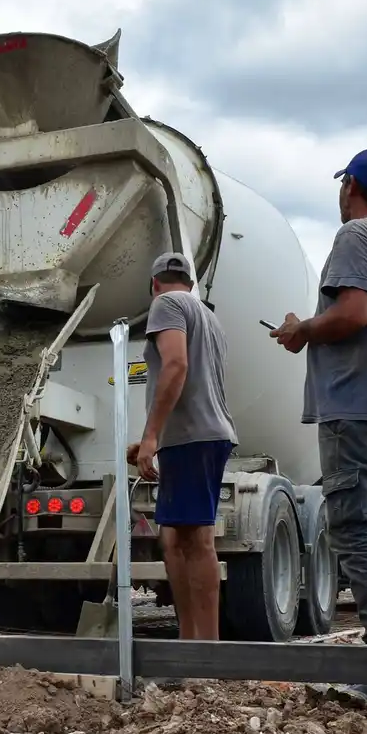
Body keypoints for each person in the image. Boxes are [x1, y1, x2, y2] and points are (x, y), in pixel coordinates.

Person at [270, 147, 367, 704]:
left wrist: (302, 329)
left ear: (351, 185)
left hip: (355, 407)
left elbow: (354, 313)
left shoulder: (358, 238)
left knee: (355, 533)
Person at [127, 253, 238, 641]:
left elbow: (176, 366)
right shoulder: (208, 316)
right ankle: (189, 639)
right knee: (174, 538)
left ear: (154, 283)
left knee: (196, 540)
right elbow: (198, 387)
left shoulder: (166, 304)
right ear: (189, 281)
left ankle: (204, 649)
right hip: (199, 434)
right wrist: (151, 437)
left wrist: (153, 435)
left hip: (193, 437)